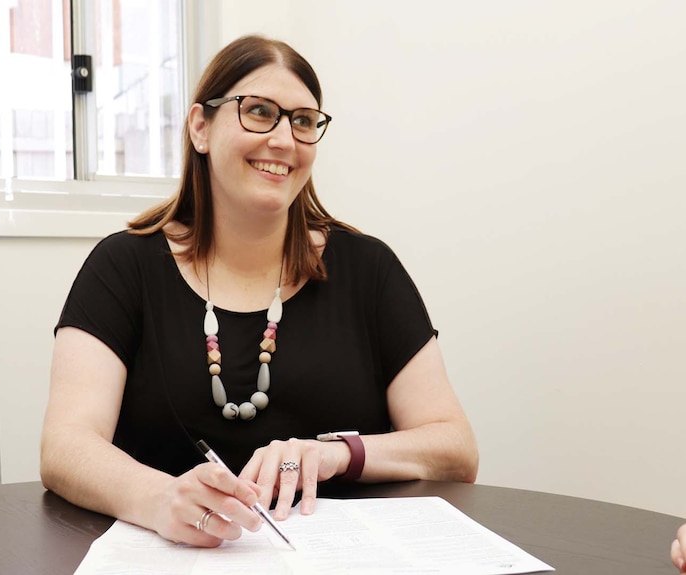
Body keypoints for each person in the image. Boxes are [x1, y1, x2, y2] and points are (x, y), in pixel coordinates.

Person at [40, 34, 479, 548]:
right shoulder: (123, 266)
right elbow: (65, 445)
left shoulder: (369, 268)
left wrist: (338, 453)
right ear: (200, 127)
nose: (283, 139)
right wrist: (160, 498)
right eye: (259, 112)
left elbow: (455, 447)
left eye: (302, 121)